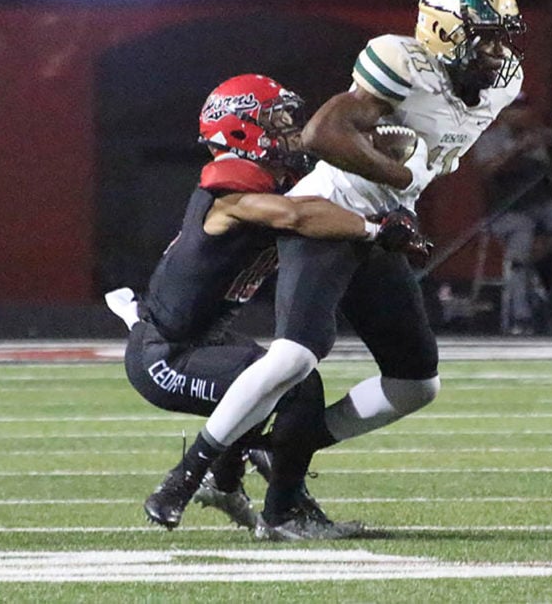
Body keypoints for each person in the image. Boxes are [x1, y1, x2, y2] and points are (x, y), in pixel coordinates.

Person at [144, 0, 528, 540]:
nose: (499, 52)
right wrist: (398, 171)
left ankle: (273, 450)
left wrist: (402, 188)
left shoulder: (503, 84)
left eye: (503, 37)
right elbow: (322, 133)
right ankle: (187, 476)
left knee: (415, 384)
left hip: (385, 223)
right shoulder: (402, 62)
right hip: (328, 212)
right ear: (445, 31)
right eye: (487, 37)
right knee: (297, 355)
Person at [106, 73, 427, 535]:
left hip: (206, 341)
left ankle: (237, 481)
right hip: (165, 355)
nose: (290, 132)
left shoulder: (272, 180)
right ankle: (269, 506)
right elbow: (297, 214)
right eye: (276, 121)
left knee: (287, 379)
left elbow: (321, 193)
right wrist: (375, 228)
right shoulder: (231, 191)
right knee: (298, 389)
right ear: (241, 131)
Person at [472, 94, 552, 334]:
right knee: (522, 238)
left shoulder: (539, 139)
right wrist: (517, 150)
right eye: (514, 108)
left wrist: (548, 147)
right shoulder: (489, 140)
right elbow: (488, 170)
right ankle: (521, 316)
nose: (521, 113)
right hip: (504, 215)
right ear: (502, 112)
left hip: (540, 213)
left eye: (524, 107)